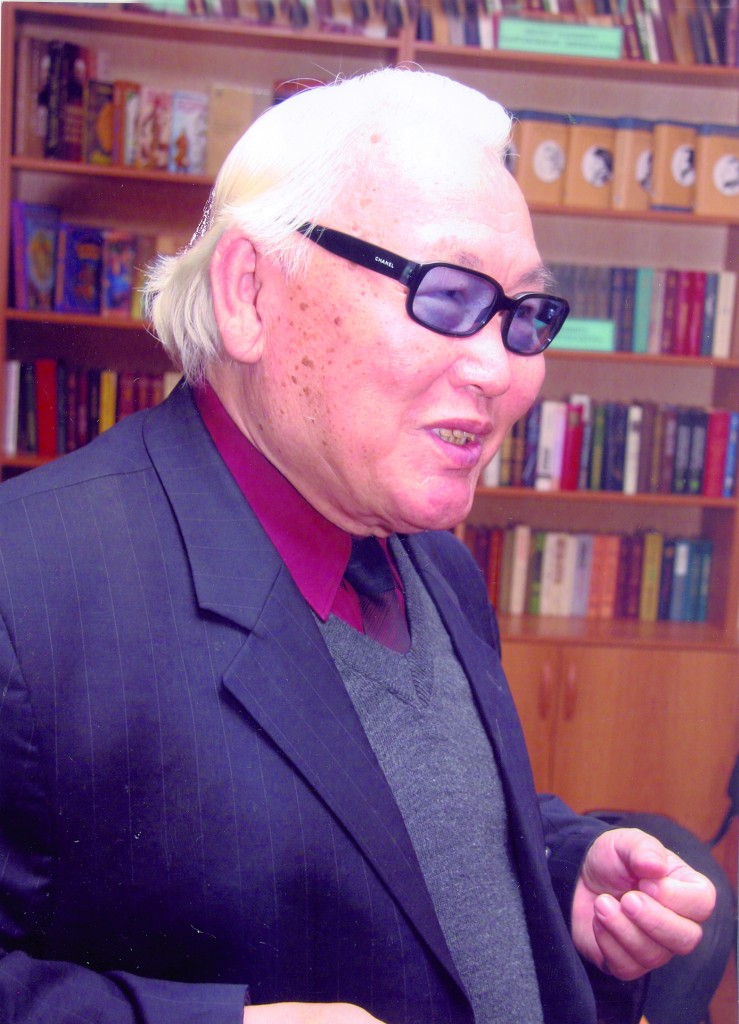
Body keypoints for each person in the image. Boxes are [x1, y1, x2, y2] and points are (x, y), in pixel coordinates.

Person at [0, 68, 716, 1024]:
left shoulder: (436, 563)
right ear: (252, 294)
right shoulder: (24, 592)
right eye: (446, 296)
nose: (501, 369)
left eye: (524, 316)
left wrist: (557, 868)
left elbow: (401, 809)